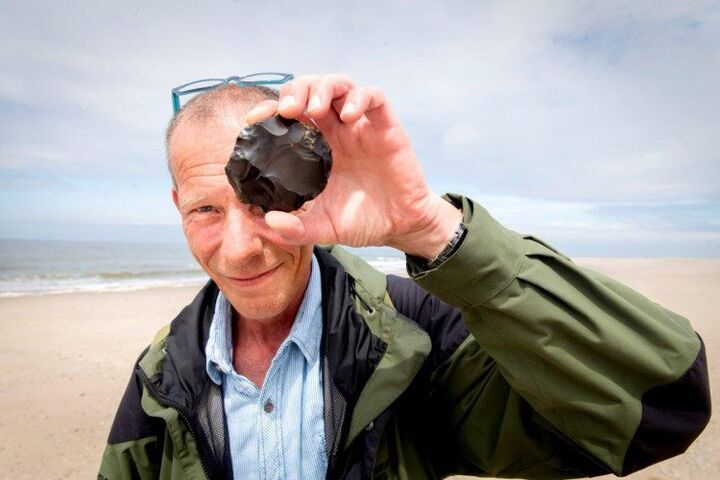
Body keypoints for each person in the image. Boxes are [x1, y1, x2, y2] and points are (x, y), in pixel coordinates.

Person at [99, 74, 710, 480]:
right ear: (176, 203)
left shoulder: (417, 337)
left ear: (309, 188)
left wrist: (427, 227)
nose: (238, 251)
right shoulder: (164, 372)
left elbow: (659, 407)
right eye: (205, 210)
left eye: (263, 200)